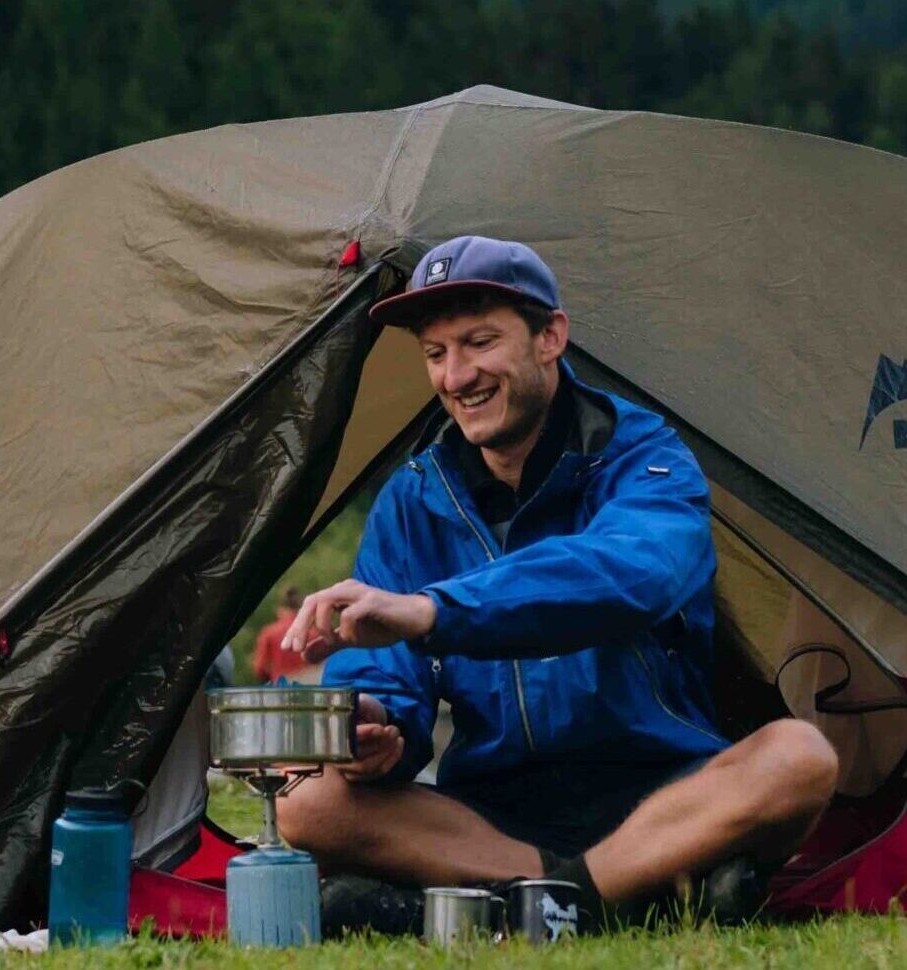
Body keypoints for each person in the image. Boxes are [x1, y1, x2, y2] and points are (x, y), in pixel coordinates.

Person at [273, 236, 838, 930]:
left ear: (550, 337)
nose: (456, 376)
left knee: (799, 759)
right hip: (494, 813)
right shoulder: (412, 501)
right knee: (307, 800)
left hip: (664, 791)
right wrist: (380, 727)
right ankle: (607, 894)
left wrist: (433, 610)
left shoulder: (645, 456)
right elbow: (382, 667)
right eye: (435, 354)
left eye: (479, 342)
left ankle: (526, 905)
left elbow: (632, 574)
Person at [251, 587, 308, 683]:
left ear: (281, 609)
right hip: (308, 688)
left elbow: (260, 668)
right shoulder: (314, 632)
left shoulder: (269, 632)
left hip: (280, 688)